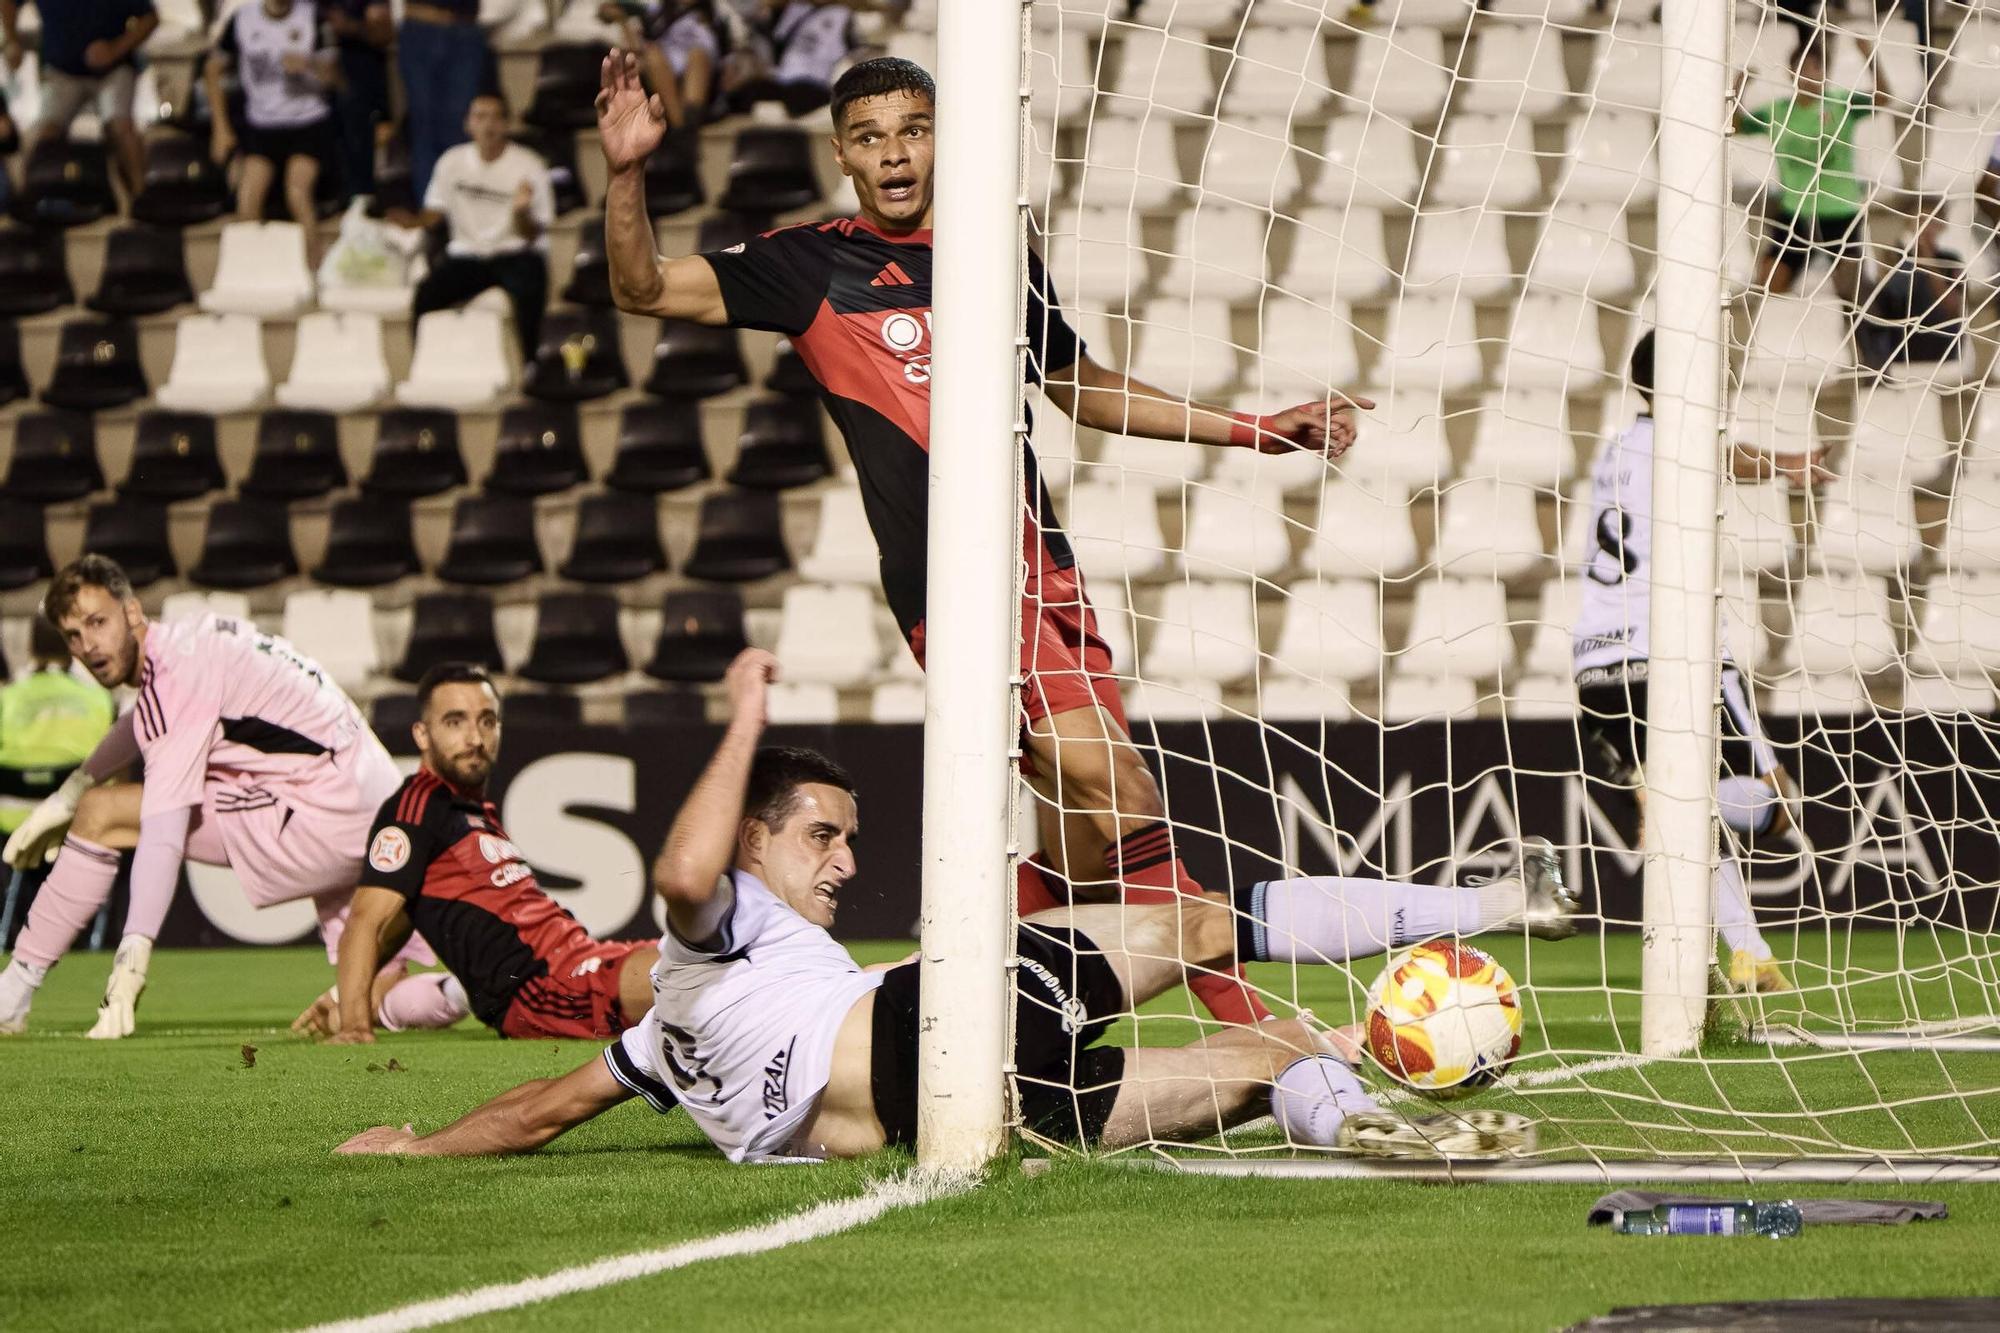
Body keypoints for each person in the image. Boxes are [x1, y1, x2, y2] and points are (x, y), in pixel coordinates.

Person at [594, 52, 1371, 1030]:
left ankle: (934, 1006)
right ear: (841, 155)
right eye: (869, 137)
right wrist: (626, 172)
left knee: (1085, 842)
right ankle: (1260, 1037)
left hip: (1042, 571)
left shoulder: (993, 254)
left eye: (912, 130)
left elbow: (1079, 386)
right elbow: (642, 289)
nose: (893, 154)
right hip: (953, 587)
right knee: (1116, 783)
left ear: (941, 141)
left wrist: (1255, 428)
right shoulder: (811, 265)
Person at [336, 649, 1578, 1163]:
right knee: (1197, 922)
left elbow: (551, 1104)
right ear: (753, 842)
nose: (840, 863)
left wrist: (424, 1145)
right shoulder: (719, 934)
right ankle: (1463, 911)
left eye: (848, 841)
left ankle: (1364, 1108)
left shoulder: (662, 1035)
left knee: (1265, 1055)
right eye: (821, 838)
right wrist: (745, 724)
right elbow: (676, 879)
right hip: (943, 1008)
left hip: (975, 1109)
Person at [0, 556, 459, 1038]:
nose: (88, 645)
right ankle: (456, 993)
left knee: (104, 813)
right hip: (378, 814)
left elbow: (164, 829)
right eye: (73, 635)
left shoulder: (175, 676)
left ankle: (13, 992)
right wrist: (70, 792)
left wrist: (132, 958)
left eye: (97, 622)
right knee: (368, 987)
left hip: (320, 809)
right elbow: (141, 722)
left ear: (132, 612)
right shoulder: (191, 645)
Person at [1572, 332, 1830, 994]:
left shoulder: (1616, 450)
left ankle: (1749, 956)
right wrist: (1788, 463)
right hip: (1666, 655)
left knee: (1678, 814)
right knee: (1771, 805)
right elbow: (1726, 459)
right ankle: (1745, 942)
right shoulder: (1680, 450)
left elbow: (1721, 458)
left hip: (1595, 665)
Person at [292, 663, 662, 1045]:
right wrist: (354, 1025)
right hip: (544, 990)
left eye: (487, 721)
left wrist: (343, 995)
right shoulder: (416, 807)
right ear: (422, 734)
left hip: (582, 960)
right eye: (455, 722)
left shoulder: (471, 810)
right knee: (693, 980)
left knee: (701, 960)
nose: (475, 737)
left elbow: (400, 919)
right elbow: (366, 920)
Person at [399, 92, 555, 365]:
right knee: (425, 296)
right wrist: (411, 222)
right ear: (468, 124)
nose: (488, 125)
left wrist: (522, 213)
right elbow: (435, 214)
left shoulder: (529, 165)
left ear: (507, 124)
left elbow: (534, 234)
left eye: (496, 117)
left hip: (514, 254)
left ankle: (532, 365)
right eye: (480, 117)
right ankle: (423, 365)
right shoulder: (451, 162)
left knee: (532, 290)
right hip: (467, 257)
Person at [1734, 31, 1886, 304]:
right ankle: (1771, 340)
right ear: (1791, 73)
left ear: (1824, 72)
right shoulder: (1777, 112)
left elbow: (1884, 98)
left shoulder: (1841, 104)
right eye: (1802, 67)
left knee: (1854, 298)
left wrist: (1869, 55)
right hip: (1796, 214)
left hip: (1840, 213)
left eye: (1814, 68)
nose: (1808, 75)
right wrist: (1738, 86)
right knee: (1767, 285)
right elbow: (1734, 125)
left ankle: (1863, 343)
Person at [0, 619, 115, 952]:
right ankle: (94, 933)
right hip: (75, 825)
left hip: (11, 826)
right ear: (73, 646)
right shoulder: (99, 700)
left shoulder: (7, 699)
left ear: (30, 647)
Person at [206, 0, 341, 263]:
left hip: (307, 122)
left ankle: (313, 266)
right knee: (248, 198)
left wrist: (310, 65)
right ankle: (253, 267)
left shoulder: (314, 18)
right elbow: (212, 70)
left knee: (297, 192)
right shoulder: (242, 20)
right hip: (263, 124)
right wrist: (220, 127)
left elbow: (336, 77)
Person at [0, 0, 157, 202]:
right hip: (62, 72)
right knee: (43, 135)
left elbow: (150, 18)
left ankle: (142, 199)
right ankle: (32, 203)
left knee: (120, 128)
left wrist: (116, 48)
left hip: (113, 69)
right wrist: (13, 40)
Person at [1855, 195, 1967, 377]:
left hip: (1939, 337)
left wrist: (1928, 262)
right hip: (1902, 337)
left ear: (1942, 226)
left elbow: (1954, 309)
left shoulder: (1951, 261)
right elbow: (1884, 302)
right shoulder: (1897, 256)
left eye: (1932, 221)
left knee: (1920, 278)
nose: (1925, 227)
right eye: (1920, 221)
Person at [396, 0, 490, 204]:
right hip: (421, 27)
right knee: (425, 127)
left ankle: (464, 212)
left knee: (463, 126)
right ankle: (432, 214)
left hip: (466, 29)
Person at [324, 0, 392, 200]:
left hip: (363, 77)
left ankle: (363, 198)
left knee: (359, 139)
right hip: (317, 89)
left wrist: (350, 27)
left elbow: (385, 33)